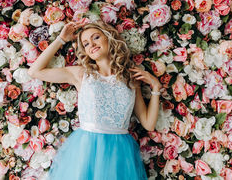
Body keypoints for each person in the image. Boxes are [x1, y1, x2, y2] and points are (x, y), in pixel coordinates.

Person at [27, 19, 161, 180]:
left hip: (119, 153)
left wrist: (155, 87)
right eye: (86, 43)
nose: (91, 44)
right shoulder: (81, 74)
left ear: (108, 37)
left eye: (96, 37)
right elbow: (35, 71)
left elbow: (148, 123)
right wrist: (61, 39)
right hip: (87, 148)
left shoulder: (131, 78)